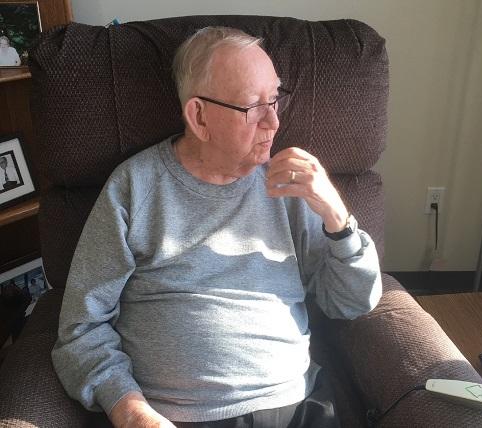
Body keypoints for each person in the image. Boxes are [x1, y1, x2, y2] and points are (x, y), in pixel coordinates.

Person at [51, 27, 383, 428]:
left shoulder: (292, 186)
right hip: (176, 417)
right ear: (199, 116)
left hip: (297, 406)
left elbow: (351, 303)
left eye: (275, 98)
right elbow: (81, 328)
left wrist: (338, 217)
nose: (274, 121)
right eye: (253, 106)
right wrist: (131, 412)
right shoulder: (134, 187)